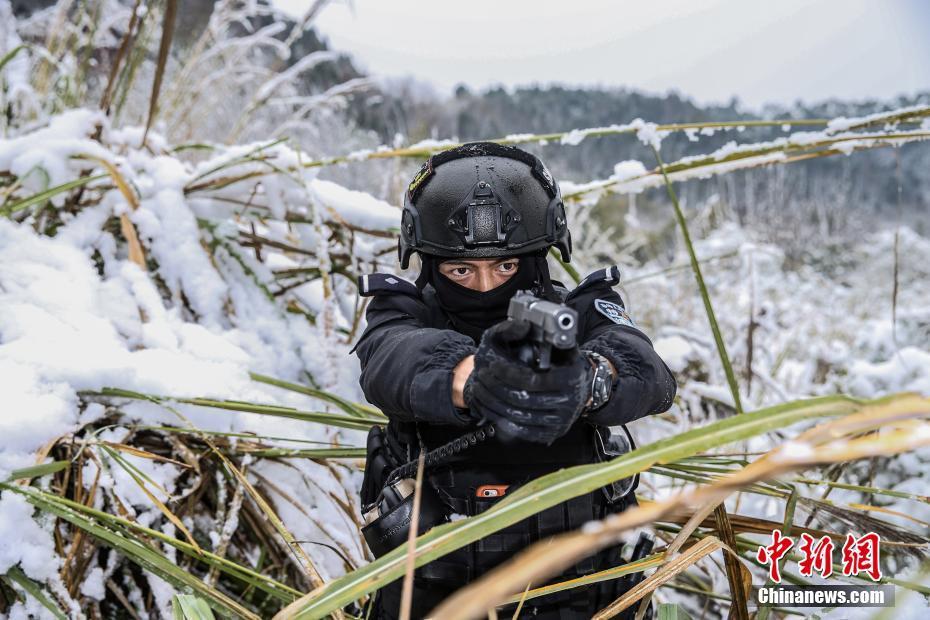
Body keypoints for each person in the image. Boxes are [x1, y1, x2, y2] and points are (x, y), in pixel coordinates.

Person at [353, 142, 677, 619]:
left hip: (581, 589)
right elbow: (389, 359)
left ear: (537, 256)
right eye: (461, 269)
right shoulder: (404, 313)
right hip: (441, 594)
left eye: (505, 266)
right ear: (428, 260)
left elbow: (647, 370)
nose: (486, 286)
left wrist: (590, 380)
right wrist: (471, 377)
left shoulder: (579, 310)